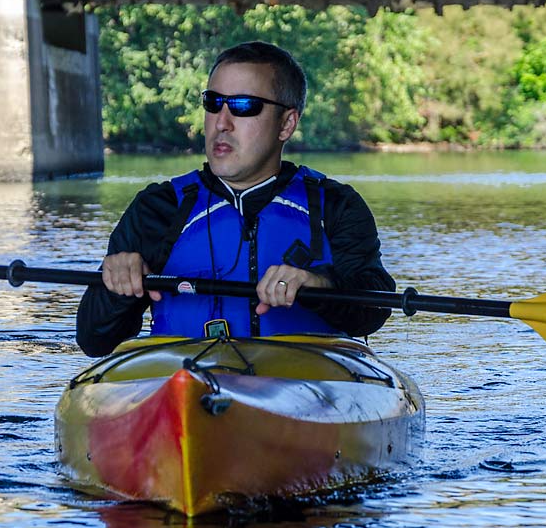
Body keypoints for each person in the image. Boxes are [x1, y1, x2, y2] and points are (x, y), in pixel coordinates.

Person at [76, 40, 395, 357]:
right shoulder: (159, 208)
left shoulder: (335, 205)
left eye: (244, 106)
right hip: (182, 385)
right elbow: (94, 340)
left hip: (305, 384)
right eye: (213, 103)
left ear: (286, 124)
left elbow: (373, 310)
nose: (222, 123)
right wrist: (116, 288)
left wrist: (320, 286)